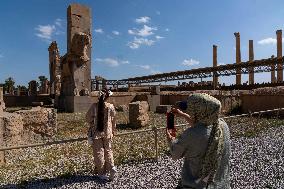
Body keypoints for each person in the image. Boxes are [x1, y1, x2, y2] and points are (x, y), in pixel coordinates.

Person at [166, 93, 231, 189]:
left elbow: (175, 154)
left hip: (197, 185)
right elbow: (203, 127)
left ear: (198, 110)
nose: (189, 108)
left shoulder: (191, 134)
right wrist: (183, 115)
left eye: (191, 107)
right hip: (220, 184)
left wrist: (170, 139)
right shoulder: (222, 125)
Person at [86, 88, 117, 181]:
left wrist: (92, 122)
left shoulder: (94, 106)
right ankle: (111, 167)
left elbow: (87, 119)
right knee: (108, 150)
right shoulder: (111, 106)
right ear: (107, 98)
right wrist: (113, 130)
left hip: (96, 133)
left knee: (99, 152)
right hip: (107, 132)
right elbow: (114, 120)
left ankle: (101, 173)